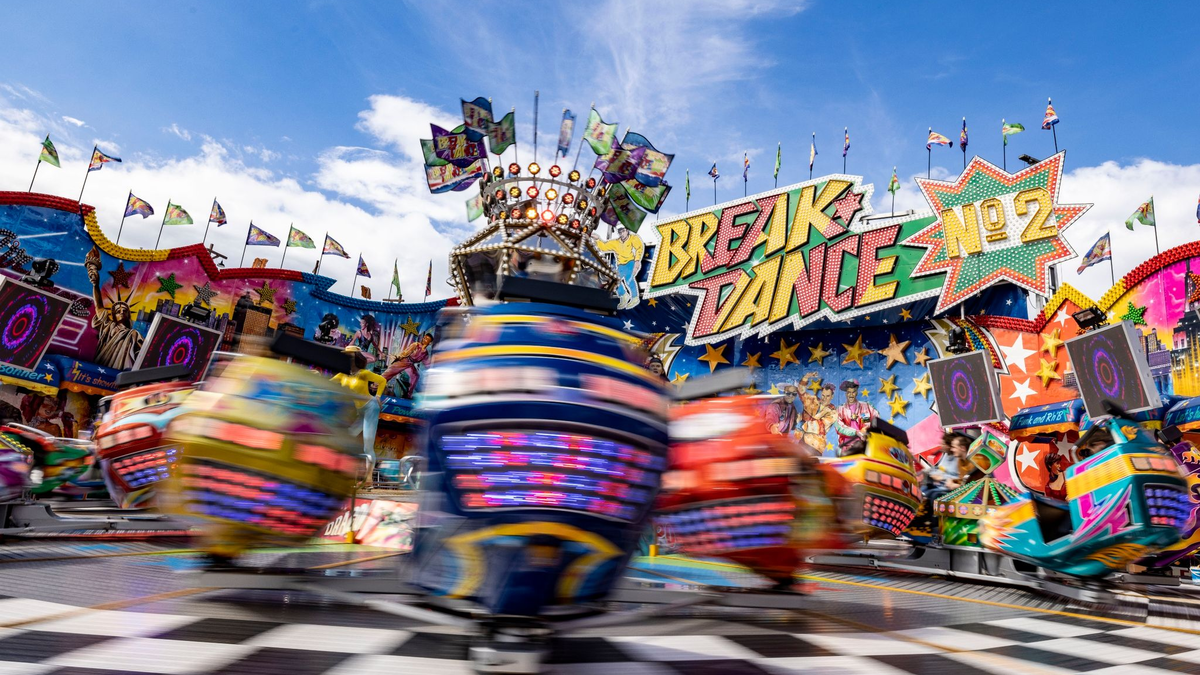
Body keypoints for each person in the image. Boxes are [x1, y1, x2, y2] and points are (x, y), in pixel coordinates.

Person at [331, 346, 387, 477]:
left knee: (367, 446)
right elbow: (327, 383)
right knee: (347, 437)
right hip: (359, 411)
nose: (347, 359)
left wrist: (378, 396)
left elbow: (382, 380)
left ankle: (369, 479)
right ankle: (343, 471)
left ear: (356, 357)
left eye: (350, 356)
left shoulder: (363, 374)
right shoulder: (342, 375)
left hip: (370, 408)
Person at [86, 258, 144, 371]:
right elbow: (98, 306)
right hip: (102, 365)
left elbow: (142, 355)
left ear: (128, 315)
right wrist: (95, 285)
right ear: (113, 315)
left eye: (124, 310)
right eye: (118, 311)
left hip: (122, 371)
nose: (121, 312)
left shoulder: (134, 334)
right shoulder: (108, 325)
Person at [592, 225, 645, 310]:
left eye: (623, 231)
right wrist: (597, 239)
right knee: (615, 281)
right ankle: (624, 296)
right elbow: (603, 247)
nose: (622, 233)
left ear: (627, 230)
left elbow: (639, 247)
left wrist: (637, 261)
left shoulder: (633, 238)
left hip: (630, 263)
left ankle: (635, 297)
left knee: (629, 280)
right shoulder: (615, 242)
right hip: (620, 265)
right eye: (620, 232)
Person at [834, 380, 879, 454]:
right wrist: (856, 432)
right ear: (846, 394)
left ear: (857, 392)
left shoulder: (866, 406)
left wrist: (867, 429)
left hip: (863, 446)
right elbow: (839, 427)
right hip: (846, 448)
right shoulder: (839, 410)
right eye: (849, 392)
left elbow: (876, 420)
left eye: (853, 392)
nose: (851, 395)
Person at [383, 333, 434, 398]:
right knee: (388, 373)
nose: (424, 339)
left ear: (430, 342)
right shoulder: (416, 345)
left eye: (427, 339)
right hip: (404, 361)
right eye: (424, 337)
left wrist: (432, 371)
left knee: (416, 376)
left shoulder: (425, 353)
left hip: (410, 364)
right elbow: (406, 352)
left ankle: (408, 395)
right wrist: (397, 357)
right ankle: (376, 385)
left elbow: (427, 363)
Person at [797, 373, 837, 454]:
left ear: (832, 396)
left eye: (828, 396)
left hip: (815, 446)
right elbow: (801, 392)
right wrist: (806, 377)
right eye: (823, 395)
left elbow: (819, 427)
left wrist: (801, 423)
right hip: (801, 441)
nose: (824, 398)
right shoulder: (813, 401)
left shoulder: (833, 412)